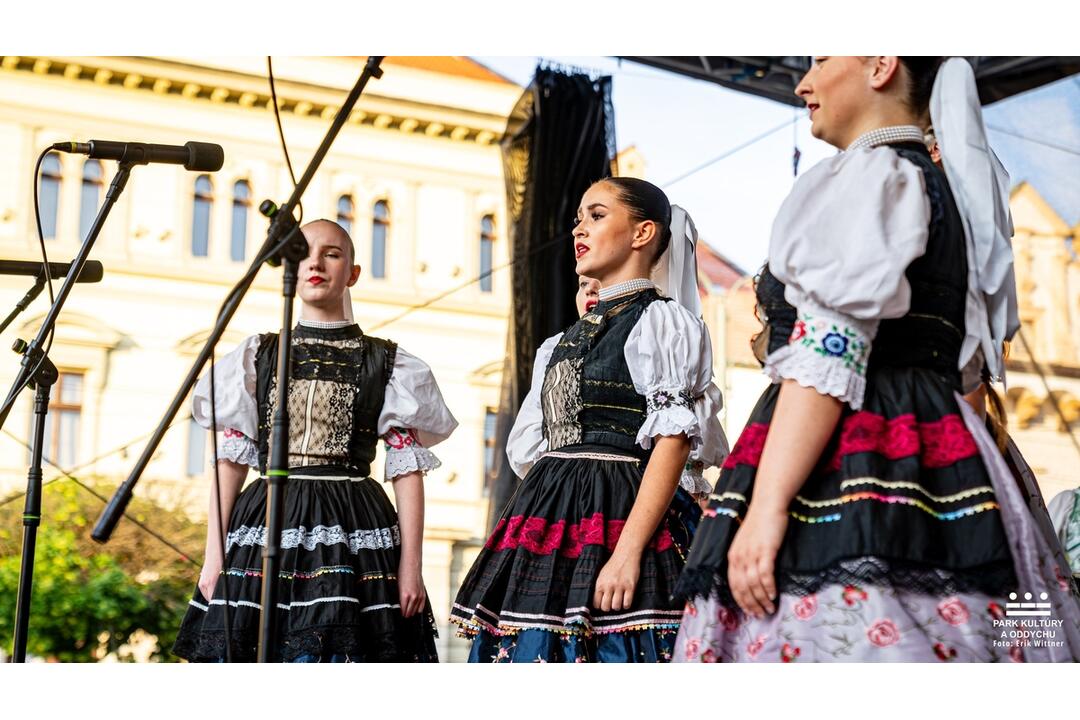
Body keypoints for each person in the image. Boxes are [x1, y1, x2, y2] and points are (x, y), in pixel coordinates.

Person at [675, 57, 1080, 662]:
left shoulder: (870, 176)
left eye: (820, 60)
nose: (804, 82)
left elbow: (828, 352)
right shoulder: (949, 194)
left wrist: (765, 508)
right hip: (936, 452)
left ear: (881, 64)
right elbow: (965, 375)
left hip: (854, 450)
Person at [450, 178, 727, 662]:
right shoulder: (558, 345)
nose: (579, 228)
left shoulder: (662, 322)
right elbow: (529, 451)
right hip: (548, 516)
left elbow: (674, 439)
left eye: (596, 216)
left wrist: (626, 553)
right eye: (578, 217)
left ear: (642, 234)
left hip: (623, 514)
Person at [172, 219, 457, 662]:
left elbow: (407, 469)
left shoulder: (388, 362)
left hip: (354, 523)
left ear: (353, 273)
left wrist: (411, 568)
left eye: (332, 253)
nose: (316, 263)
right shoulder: (257, 356)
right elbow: (229, 461)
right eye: (304, 252)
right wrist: (213, 558)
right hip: (268, 516)